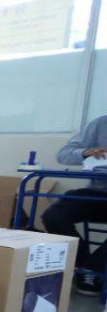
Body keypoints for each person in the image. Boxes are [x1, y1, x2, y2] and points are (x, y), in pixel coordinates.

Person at [40, 114, 107, 296]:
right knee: (53, 216)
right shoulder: (101, 124)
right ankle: (84, 266)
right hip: (95, 193)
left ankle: (93, 269)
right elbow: (63, 154)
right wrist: (86, 153)